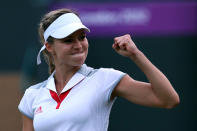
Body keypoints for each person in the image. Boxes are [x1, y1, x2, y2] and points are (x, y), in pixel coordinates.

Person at [18, 8, 180, 131]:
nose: (79, 45)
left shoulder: (105, 78)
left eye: (82, 37)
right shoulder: (33, 95)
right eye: (68, 40)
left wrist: (136, 55)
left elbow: (168, 99)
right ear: (49, 47)